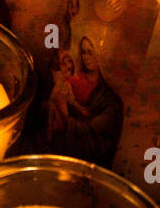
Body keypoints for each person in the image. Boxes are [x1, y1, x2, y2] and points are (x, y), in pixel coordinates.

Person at [53, 34, 124, 166]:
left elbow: (92, 133)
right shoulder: (75, 78)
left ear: (101, 55)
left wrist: (65, 114)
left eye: (90, 53)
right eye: (83, 52)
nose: (85, 57)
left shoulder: (110, 100)